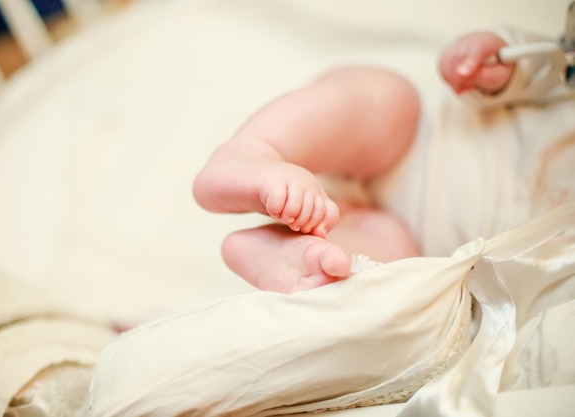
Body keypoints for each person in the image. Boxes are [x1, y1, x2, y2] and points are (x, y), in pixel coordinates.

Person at [193, 28, 575, 293]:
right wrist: (502, 63)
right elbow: (558, 60)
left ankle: (290, 253)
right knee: (388, 98)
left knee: (396, 281)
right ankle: (255, 151)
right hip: (418, 141)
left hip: (424, 248)